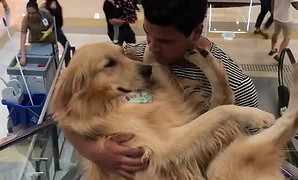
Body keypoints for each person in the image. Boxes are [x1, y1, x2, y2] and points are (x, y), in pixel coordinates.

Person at [61, 0, 259, 179]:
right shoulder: (135, 58)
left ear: (196, 32)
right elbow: (68, 114)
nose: (152, 47)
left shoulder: (239, 86)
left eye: (165, 41)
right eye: (148, 33)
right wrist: (95, 152)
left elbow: (249, 159)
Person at [20, 0, 55, 66]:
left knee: (50, 62)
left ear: (38, 11)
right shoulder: (26, 20)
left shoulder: (45, 13)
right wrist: (23, 56)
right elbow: (23, 38)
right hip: (35, 42)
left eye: (33, 13)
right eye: (29, 13)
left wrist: (50, 30)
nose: (31, 15)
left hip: (48, 41)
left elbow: (53, 23)